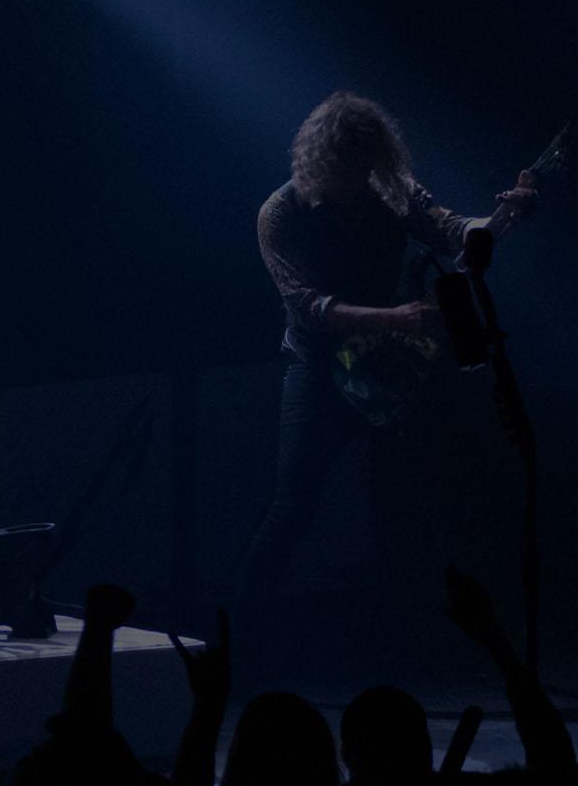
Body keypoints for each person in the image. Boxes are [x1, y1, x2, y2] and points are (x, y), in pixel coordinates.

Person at [221, 91, 539, 632]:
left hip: (389, 360)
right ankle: (236, 643)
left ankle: (444, 631)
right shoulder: (279, 213)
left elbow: (454, 229)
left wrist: (507, 212)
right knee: (292, 507)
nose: (362, 175)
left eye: (370, 162)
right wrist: (395, 318)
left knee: (435, 493)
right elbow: (308, 306)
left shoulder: (388, 189)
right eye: (351, 164)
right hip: (318, 365)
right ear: (323, 160)